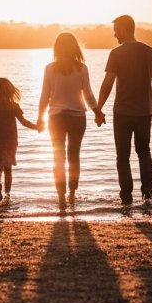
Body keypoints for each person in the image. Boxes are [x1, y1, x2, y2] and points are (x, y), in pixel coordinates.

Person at [95, 15, 152, 204]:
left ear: (124, 29)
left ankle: (126, 197)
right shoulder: (151, 52)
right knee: (144, 152)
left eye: (116, 29)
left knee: (122, 155)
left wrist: (98, 108)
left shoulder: (116, 53)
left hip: (123, 113)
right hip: (144, 112)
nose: (114, 34)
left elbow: (107, 84)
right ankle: (147, 194)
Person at [37, 32, 103, 208]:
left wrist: (40, 118)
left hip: (56, 118)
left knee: (58, 157)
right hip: (77, 119)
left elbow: (44, 96)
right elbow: (88, 94)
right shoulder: (82, 68)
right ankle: (72, 193)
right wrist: (97, 111)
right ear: (75, 47)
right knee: (74, 157)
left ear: (56, 48)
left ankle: (61, 196)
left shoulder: (50, 68)